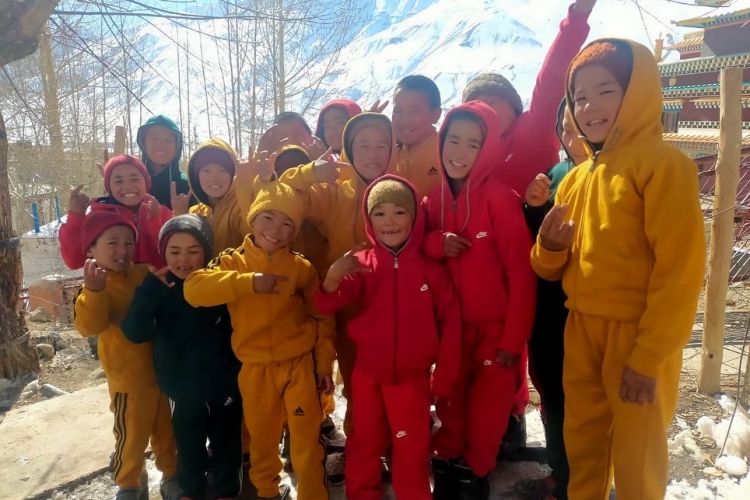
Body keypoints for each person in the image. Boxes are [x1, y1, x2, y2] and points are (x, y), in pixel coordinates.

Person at [531, 39, 704, 500]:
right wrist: (547, 247)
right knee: (583, 442)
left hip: (636, 334)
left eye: (606, 91)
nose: (589, 106)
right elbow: (549, 269)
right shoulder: (577, 177)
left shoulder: (663, 167)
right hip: (581, 327)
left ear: (639, 91)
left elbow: (680, 271)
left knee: (636, 452)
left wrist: (649, 358)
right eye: (579, 96)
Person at [462, 0, 596, 451]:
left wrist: (574, 21)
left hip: (543, 260)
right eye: (478, 107)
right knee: (494, 346)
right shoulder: (469, 149)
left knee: (540, 352)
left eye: (498, 105)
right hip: (486, 263)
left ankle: (528, 416)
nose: (489, 114)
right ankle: (502, 416)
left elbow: (551, 77)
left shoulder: (534, 129)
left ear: (516, 109)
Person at [184, 184, 335, 500]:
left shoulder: (300, 267)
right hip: (255, 370)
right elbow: (194, 290)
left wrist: (323, 364)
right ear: (252, 220)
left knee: (306, 444)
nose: (276, 231)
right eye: (268, 218)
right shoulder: (232, 262)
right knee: (262, 444)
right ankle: (268, 493)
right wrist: (248, 283)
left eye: (287, 224)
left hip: (299, 368)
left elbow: (322, 317)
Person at [316, 175, 461, 500]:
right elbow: (327, 302)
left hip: (412, 381)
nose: (390, 221)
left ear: (414, 216)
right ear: (369, 220)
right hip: (368, 376)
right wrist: (332, 278)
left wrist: (445, 376)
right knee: (364, 442)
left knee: (411, 447)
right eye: (379, 213)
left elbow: (450, 323)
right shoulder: (362, 262)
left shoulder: (431, 269)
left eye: (399, 212)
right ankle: (363, 494)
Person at [423, 101, 536, 499]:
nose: (460, 152)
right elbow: (417, 243)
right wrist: (437, 243)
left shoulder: (500, 199)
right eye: (453, 140)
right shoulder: (432, 201)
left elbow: (522, 274)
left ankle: (477, 471)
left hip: (494, 329)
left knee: (487, 410)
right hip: (451, 329)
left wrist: (512, 338)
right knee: (450, 399)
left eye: (474, 144)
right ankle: (451, 460)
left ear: (487, 149)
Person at [278, 112, 397, 437]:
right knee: (358, 389)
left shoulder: (400, 193)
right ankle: (364, 451)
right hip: (348, 315)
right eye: (363, 145)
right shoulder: (336, 194)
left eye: (381, 145)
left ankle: (393, 446)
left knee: (395, 387)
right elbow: (285, 195)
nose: (373, 154)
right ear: (349, 149)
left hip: (393, 313)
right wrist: (310, 171)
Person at [122, 214, 243, 500]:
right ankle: (192, 489)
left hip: (223, 383)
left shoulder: (218, 285)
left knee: (227, 440)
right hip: (182, 387)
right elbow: (136, 332)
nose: (183, 260)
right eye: (174, 252)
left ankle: (226, 489)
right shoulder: (160, 289)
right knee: (189, 443)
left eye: (193, 251)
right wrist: (148, 292)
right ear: (164, 252)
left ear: (206, 253)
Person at [73, 211, 178, 500]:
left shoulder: (143, 272)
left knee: (165, 432)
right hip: (127, 382)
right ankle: (129, 484)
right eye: (112, 243)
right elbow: (89, 327)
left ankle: (171, 475)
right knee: (130, 438)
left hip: (158, 373)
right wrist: (94, 293)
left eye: (128, 243)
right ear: (91, 249)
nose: (123, 250)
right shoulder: (93, 285)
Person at [514, 102, 586, 500]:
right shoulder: (557, 174)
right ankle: (561, 473)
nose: (572, 137)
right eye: (565, 128)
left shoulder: (612, 176)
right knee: (549, 386)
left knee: (579, 396)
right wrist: (534, 207)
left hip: (583, 303)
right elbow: (539, 238)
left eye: (578, 128)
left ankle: (580, 479)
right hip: (547, 299)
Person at [59, 154, 172, 269]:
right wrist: (76, 216)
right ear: (109, 187)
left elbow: (172, 258)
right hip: (110, 285)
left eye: (135, 179)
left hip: (156, 284)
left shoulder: (162, 212)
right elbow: (74, 261)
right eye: (118, 181)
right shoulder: (100, 217)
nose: (127, 186)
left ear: (146, 182)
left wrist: (154, 222)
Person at [391, 75, 443, 199]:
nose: (404, 120)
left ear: (435, 115)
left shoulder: (445, 152)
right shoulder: (388, 150)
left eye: (414, 111)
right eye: (398, 111)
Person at [136, 114, 191, 208]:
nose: (161, 145)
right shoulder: (133, 181)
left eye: (168, 140)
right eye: (154, 139)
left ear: (177, 146)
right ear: (143, 143)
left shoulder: (188, 185)